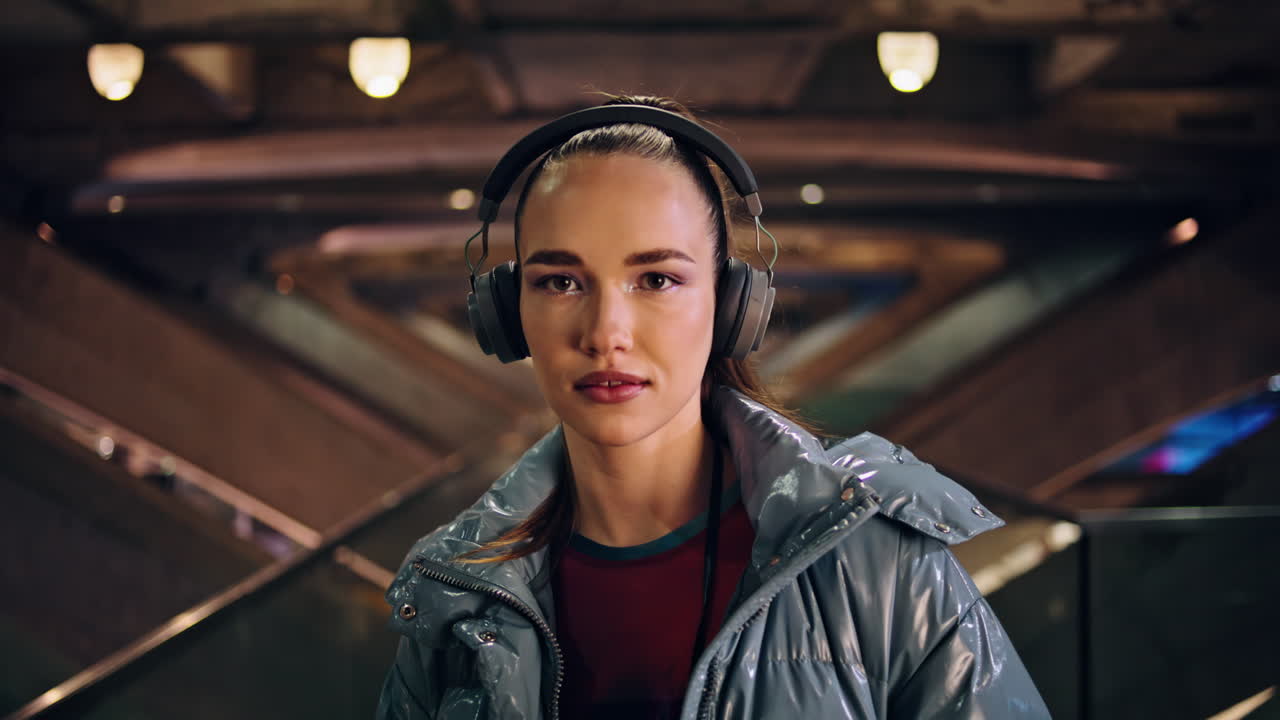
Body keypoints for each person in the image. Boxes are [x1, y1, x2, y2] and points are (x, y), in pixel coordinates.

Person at [376, 95, 1050, 719]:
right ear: (507, 313)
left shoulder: (876, 560)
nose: (607, 331)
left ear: (731, 306)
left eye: (657, 279)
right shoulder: (455, 592)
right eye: (560, 281)